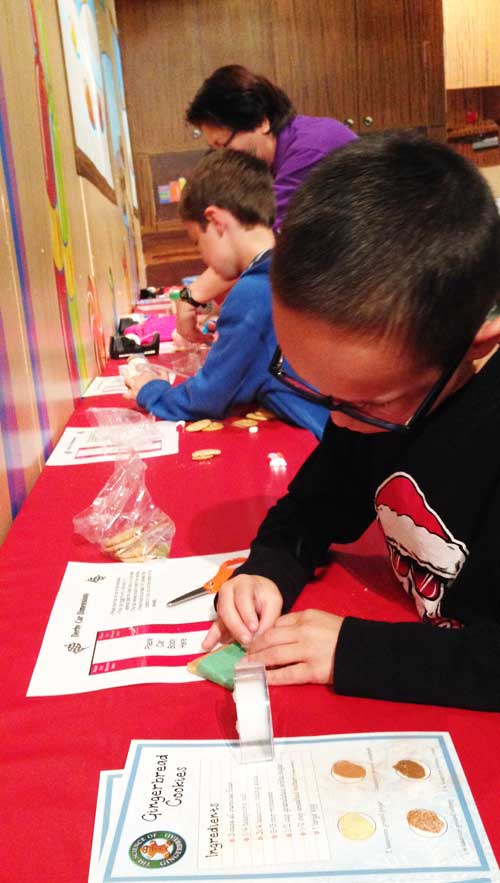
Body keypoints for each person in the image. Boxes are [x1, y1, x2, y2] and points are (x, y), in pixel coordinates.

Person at [203, 133, 500, 712]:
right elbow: (313, 506)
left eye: (366, 403)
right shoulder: (366, 395)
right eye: (315, 387)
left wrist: (353, 651)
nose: (334, 420)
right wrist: (267, 570)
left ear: (476, 343)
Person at [124, 149, 329, 440]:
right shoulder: (287, 267)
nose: (203, 257)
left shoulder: (255, 291)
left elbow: (206, 399)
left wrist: (149, 389)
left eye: (198, 242)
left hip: (327, 442)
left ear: (217, 221)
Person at [178, 64, 357, 342]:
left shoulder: (310, 150)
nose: (222, 159)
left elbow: (263, 244)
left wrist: (194, 295)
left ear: (261, 121)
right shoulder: (275, 164)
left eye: (224, 145)